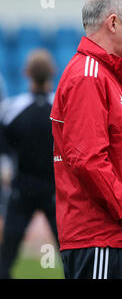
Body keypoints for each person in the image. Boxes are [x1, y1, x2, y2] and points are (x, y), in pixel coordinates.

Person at [50, 0, 122, 279]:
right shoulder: (89, 77)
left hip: (109, 235)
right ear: (113, 22)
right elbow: (87, 159)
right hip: (102, 234)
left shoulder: (103, 75)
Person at [0, 49, 58, 278]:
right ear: (53, 72)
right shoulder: (62, 109)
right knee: (70, 252)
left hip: (21, 188)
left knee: (7, 255)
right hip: (55, 190)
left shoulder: (11, 109)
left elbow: (3, 153)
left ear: (26, 73)